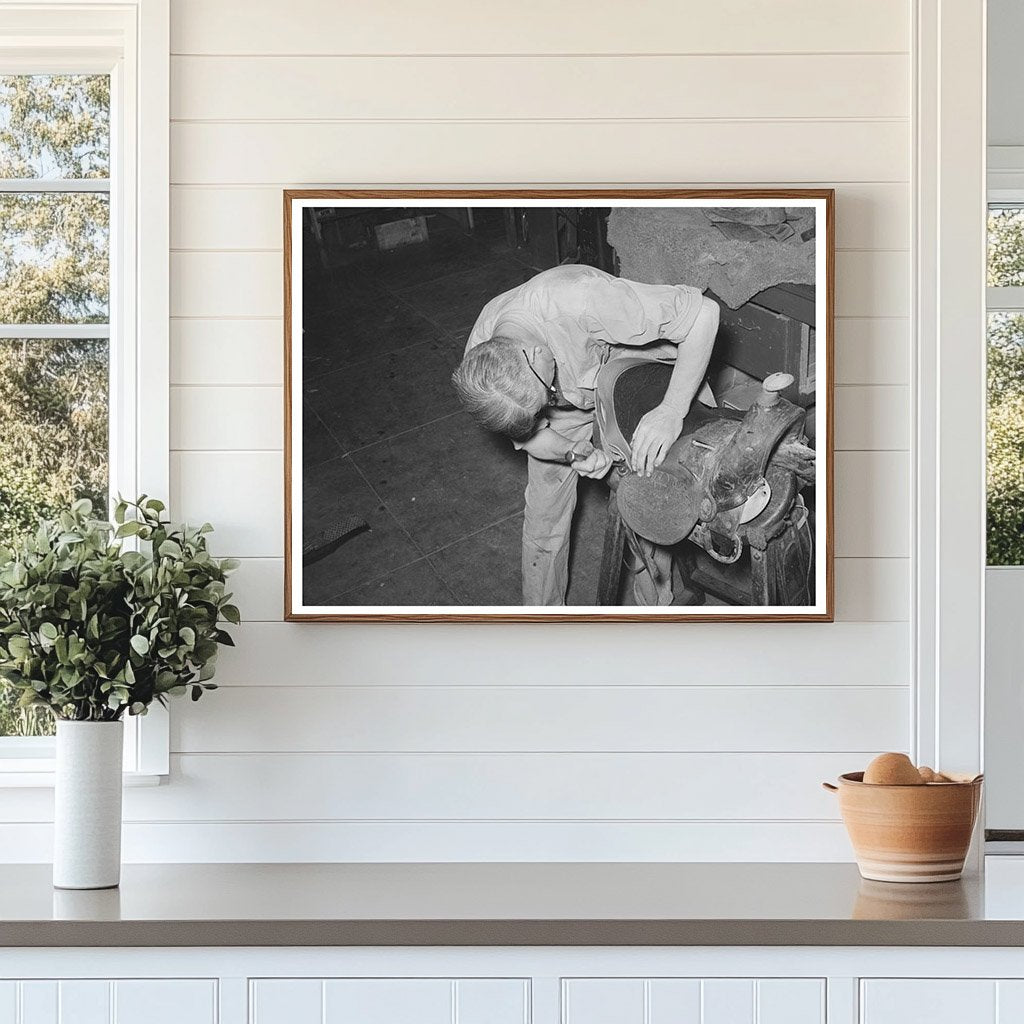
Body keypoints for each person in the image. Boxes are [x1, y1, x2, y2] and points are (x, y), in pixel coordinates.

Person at [452, 263, 719, 606]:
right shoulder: (484, 372)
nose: (548, 399)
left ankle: (655, 608)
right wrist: (571, 452)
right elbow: (533, 435)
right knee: (544, 516)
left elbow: (704, 315)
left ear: (534, 355)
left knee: (650, 487)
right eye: (537, 411)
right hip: (573, 395)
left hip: (630, 367)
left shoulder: (584, 298)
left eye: (543, 397)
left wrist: (671, 410)